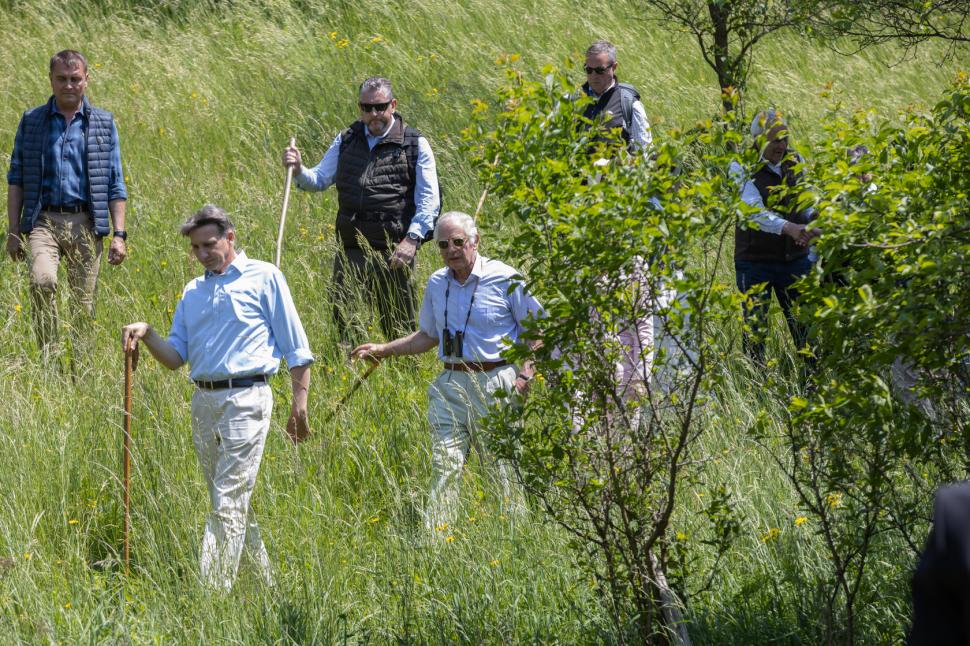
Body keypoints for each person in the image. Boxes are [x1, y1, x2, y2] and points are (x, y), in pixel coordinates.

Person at [122, 205, 313, 591]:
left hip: (248, 398)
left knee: (227, 499)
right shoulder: (193, 291)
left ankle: (212, 595)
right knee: (229, 499)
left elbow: (297, 348)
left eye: (209, 244)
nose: (203, 253)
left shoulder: (265, 277)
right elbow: (176, 357)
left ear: (230, 237)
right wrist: (148, 333)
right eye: (195, 248)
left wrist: (300, 405)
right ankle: (263, 589)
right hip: (203, 401)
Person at [351, 211, 541, 532]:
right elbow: (428, 335)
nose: (451, 250)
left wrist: (525, 375)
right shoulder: (437, 283)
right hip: (450, 382)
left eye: (458, 242)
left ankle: (513, 539)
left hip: (495, 381)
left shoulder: (506, 278)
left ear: (475, 241)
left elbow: (538, 331)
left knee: (502, 469)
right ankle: (435, 542)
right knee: (444, 465)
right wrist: (384, 350)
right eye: (443, 244)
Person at [283, 76, 441, 344]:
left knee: (399, 327)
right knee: (345, 322)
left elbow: (429, 200)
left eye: (380, 106)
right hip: (350, 249)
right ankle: (350, 370)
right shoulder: (347, 139)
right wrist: (298, 170)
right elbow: (320, 178)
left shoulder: (414, 144)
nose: (374, 114)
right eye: (367, 108)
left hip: (394, 252)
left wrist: (412, 239)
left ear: (393, 104)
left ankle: (403, 373)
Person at [6, 50, 128, 361]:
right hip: (43, 221)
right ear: (51, 80)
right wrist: (13, 231)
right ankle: (50, 356)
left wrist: (119, 234)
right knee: (42, 281)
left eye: (75, 79)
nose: (69, 85)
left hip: (86, 223)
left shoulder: (102, 122)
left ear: (86, 80)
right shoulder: (32, 121)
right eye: (62, 79)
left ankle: (80, 371)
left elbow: (116, 182)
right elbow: (16, 177)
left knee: (83, 307)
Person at [731, 109, 818, 364]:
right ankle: (754, 389)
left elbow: (806, 201)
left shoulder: (795, 159)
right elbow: (752, 212)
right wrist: (791, 228)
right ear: (758, 139)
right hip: (755, 261)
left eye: (785, 138)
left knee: (806, 330)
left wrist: (811, 225)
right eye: (775, 140)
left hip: (795, 259)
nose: (781, 145)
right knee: (755, 333)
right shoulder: (740, 165)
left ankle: (810, 385)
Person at [580, 40, 652, 154]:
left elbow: (644, 153)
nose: (593, 76)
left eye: (600, 70)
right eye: (588, 69)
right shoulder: (571, 100)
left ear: (614, 67)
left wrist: (613, 164)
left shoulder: (629, 104)